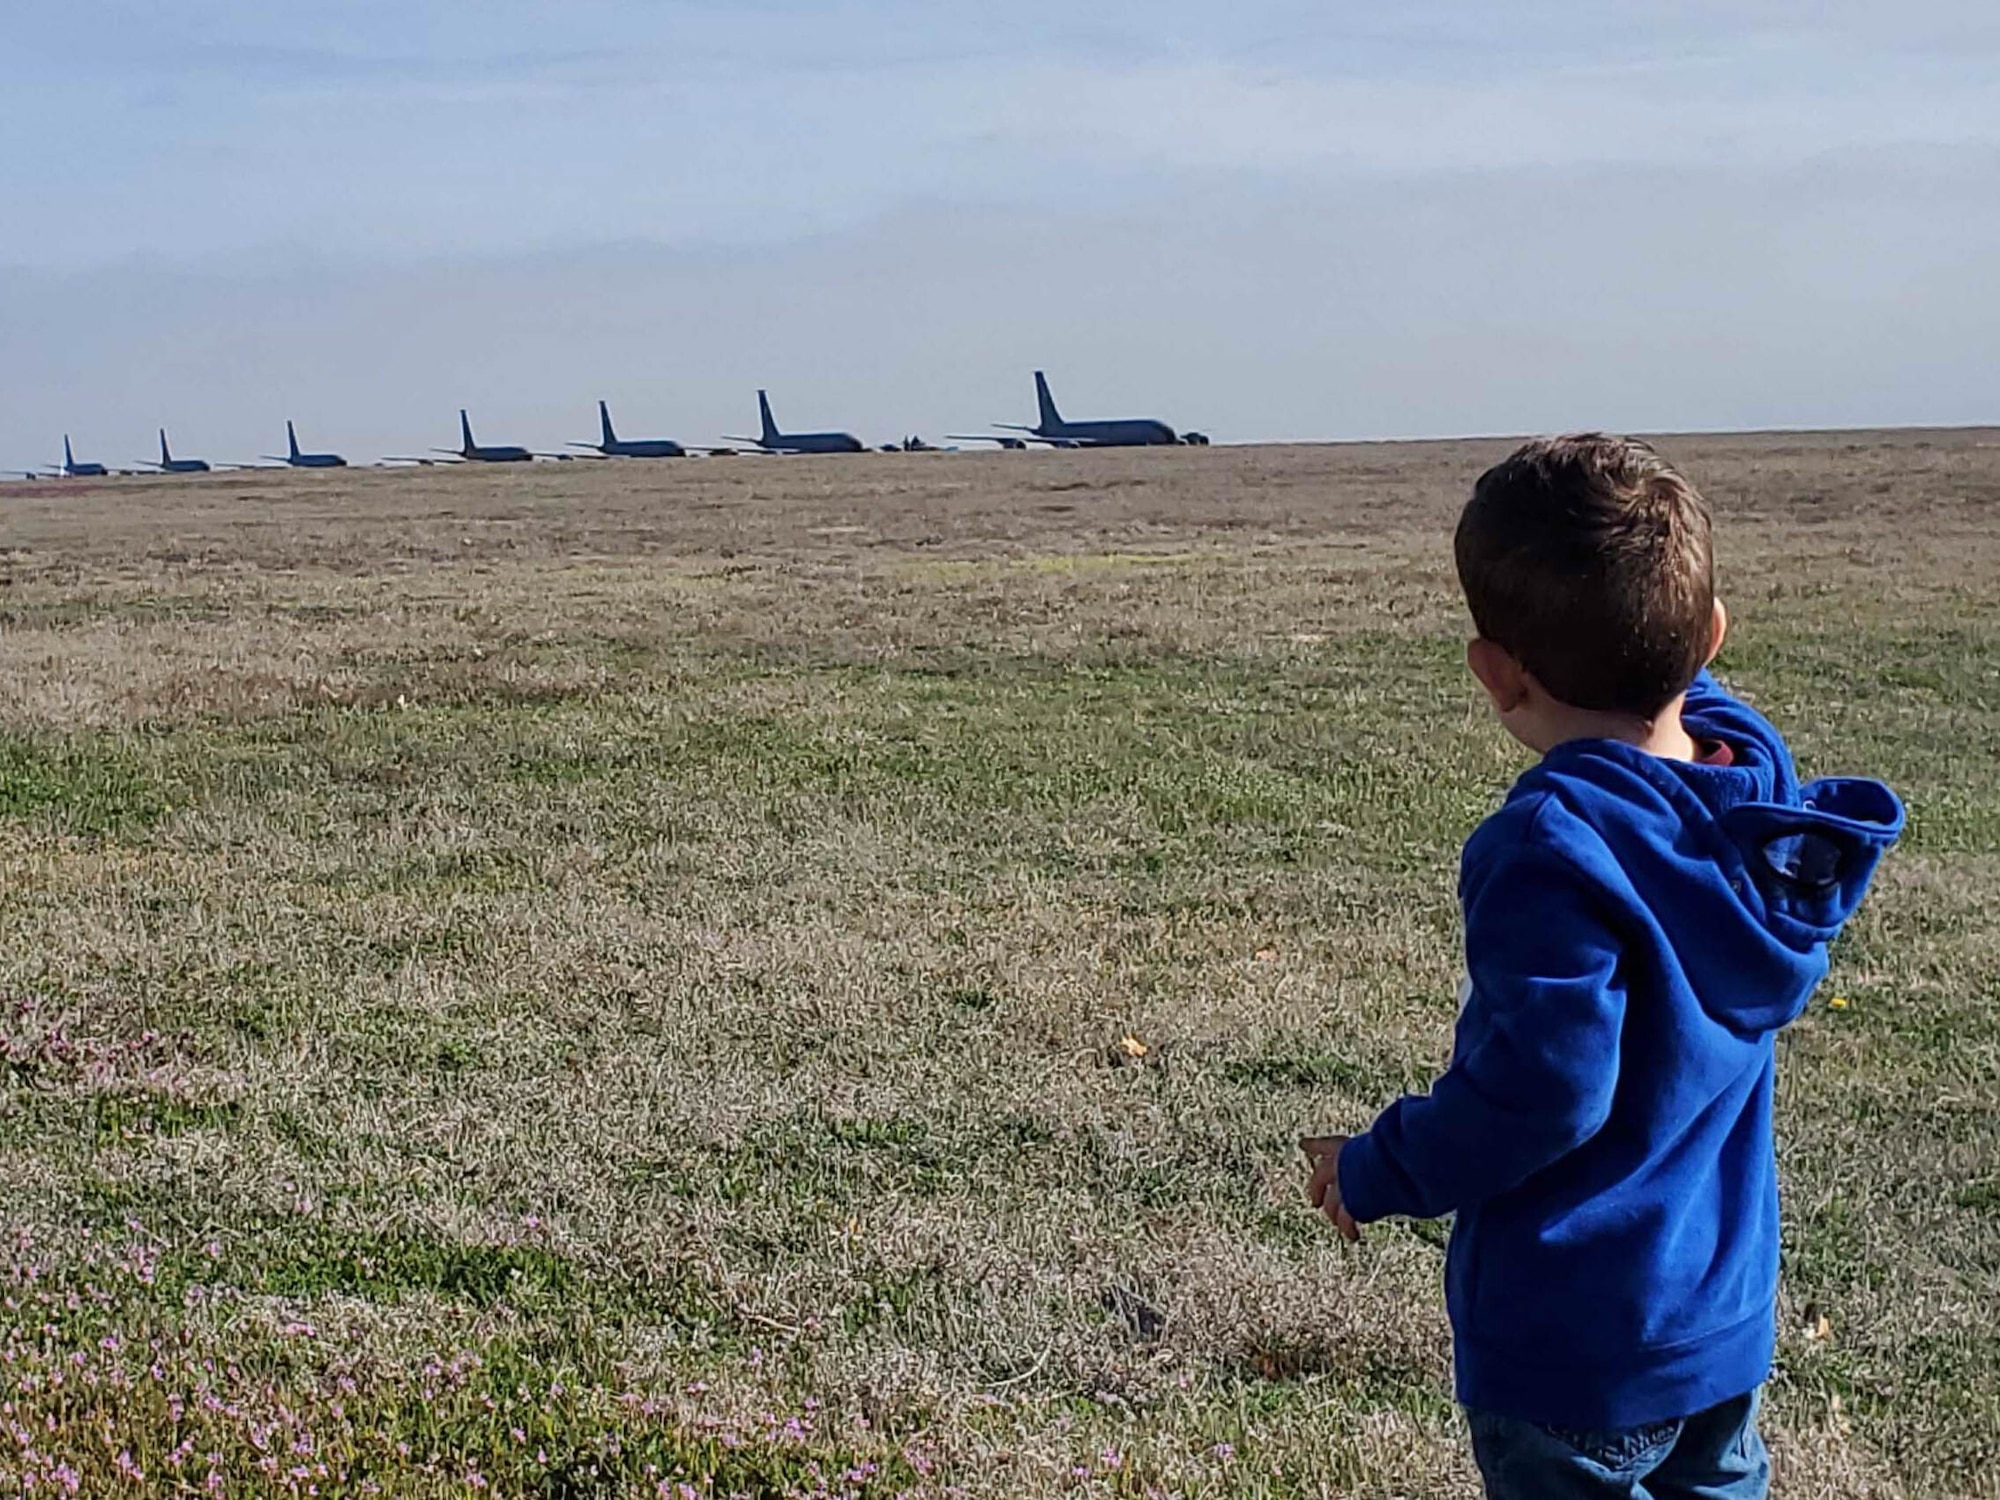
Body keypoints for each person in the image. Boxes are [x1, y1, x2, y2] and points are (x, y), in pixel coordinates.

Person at [1303, 435, 1903, 1500]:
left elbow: (1540, 1093)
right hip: (1715, 1322)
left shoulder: (1549, 846)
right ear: (1709, 638)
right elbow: (1686, 689)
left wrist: (1375, 1165)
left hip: (1571, 1348)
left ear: (1493, 673)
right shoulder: (1752, 797)